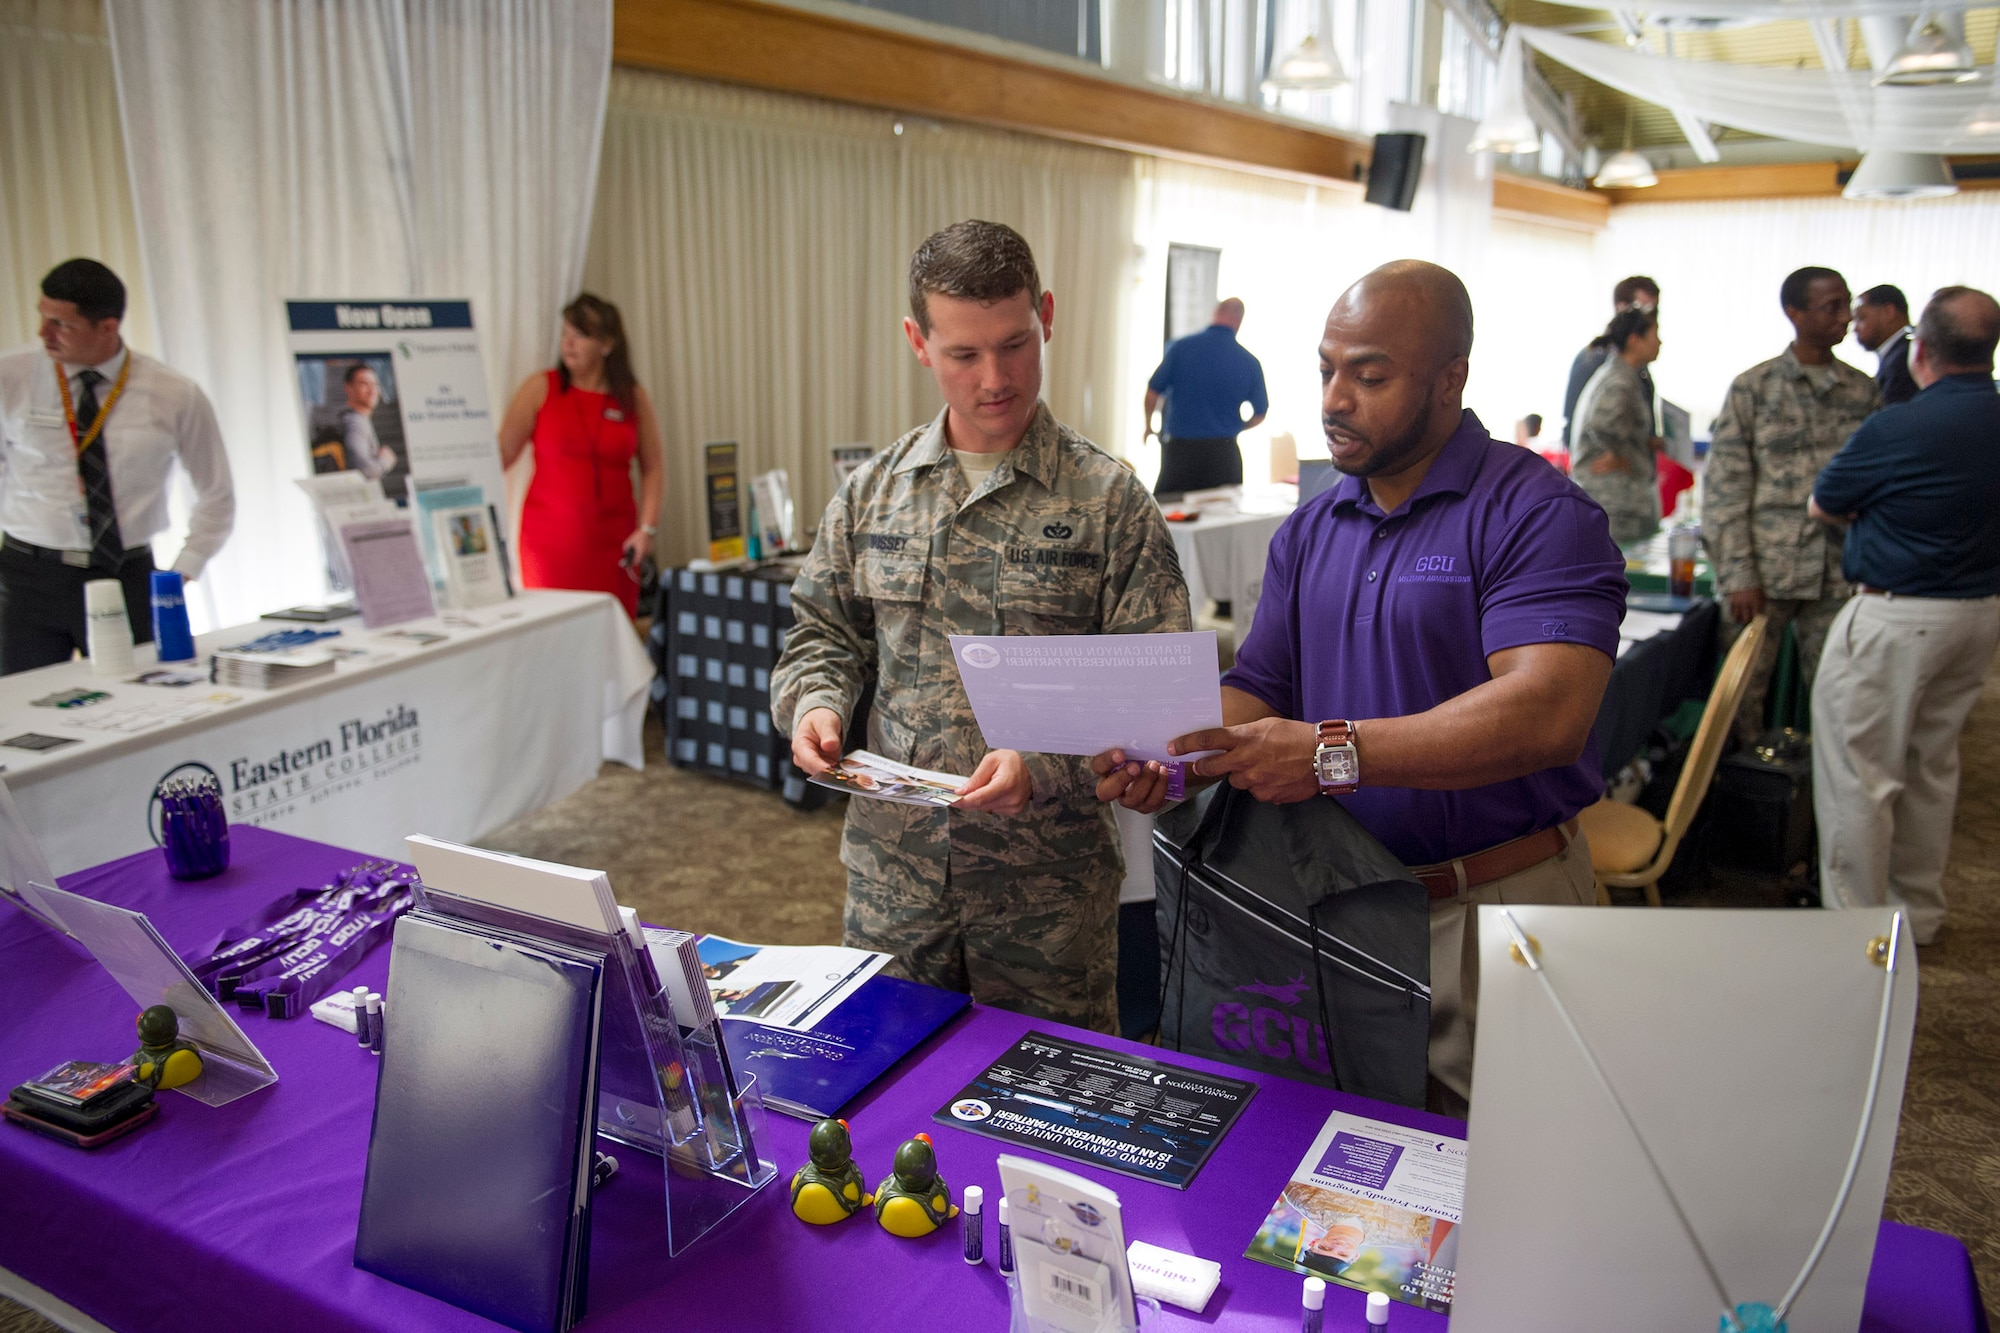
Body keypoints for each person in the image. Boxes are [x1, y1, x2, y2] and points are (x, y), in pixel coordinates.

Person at [1096, 260, 1626, 1113]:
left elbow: (1548, 712)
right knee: (1339, 1177)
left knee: (1503, 1184)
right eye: (1325, 370)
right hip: (1335, 906)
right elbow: (1262, 687)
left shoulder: (1536, 512)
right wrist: (1173, 755)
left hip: (1491, 906)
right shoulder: (1311, 529)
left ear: (1450, 378)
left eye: (1369, 375)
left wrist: (1332, 755)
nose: (1335, 398)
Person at [773, 220, 1190, 1033]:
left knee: (1047, 1120)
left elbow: (1156, 695)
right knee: (889, 1102)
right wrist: (817, 704)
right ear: (918, 343)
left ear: (1048, 317)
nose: (996, 378)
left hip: (1048, 894)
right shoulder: (872, 493)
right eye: (965, 354)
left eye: (1017, 343)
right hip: (896, 881)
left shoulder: (1109, 502)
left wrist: (1046, 765)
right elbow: (822, 632)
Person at [1809, 286, 2000, 947]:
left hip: (1897, 615)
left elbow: (1824, 502)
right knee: (1932, 768)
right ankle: (1917, 916)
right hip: (1978, 617)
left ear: (1921, 351)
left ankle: (1859, 933)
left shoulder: (1899, 424)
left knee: (1860, 779)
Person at [0, 258, 234, 675]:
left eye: (61, 324)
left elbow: (216, 493)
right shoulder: (10, 378)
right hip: (28, 578)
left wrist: (182, 574)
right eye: (42, 317)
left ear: (107, 327)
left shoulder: (173, 392)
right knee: (19, 713)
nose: (43, 333)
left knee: (146, 700)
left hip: (128, 574)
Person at [1704, 266, 1880, 745]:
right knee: (1741, 698)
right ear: (1794, 313)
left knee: (1843, 695)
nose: (1845, 317)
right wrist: (1738, 572)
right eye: (1831, 307)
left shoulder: (1864, 392)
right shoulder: (1754, 387)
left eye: (1847, 306)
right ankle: (1743, 800)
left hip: (1838, 573)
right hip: (1765, 571)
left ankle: (1817, 807)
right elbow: (1724, 486)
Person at [496, 294, 663, 619]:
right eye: (565, 333)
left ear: (607, 344)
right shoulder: (540, 389)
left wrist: (648, 528)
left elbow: (653, 467)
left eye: (581, 335)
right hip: (549, 546)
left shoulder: (632, 398)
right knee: (554, 630)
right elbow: (502, 453)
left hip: (615, 543)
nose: (568, 343)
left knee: (612, 633)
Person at [1144, 297, 1269, 496]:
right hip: (1224, 453)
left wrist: (1149, 426)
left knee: (1169, 514)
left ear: (1215, 314)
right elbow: (1260, 414)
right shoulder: (1249, 361)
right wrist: (1235, 427)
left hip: (1180, 453)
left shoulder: (1181, 348)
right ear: (1240, 320)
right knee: (1223, 520)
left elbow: (1153, 392)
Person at [1569, 306, 1664, 546]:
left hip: (1621, 499)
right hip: (1615, 500)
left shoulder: (1626, 375)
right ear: (1635, 340)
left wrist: (1644, 443)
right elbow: (1600, 424)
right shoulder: (1618, 380)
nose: (1660, 342)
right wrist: (1620, 456)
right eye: (1654, 334)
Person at [1562, 275, 1658, 448]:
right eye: (1644, 308)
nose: (1650, 318)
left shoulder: (1637, 367)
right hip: (1603, 472)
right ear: (1622, 307)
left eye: (1654, 310)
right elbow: (1574, 427)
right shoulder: (1594, 360)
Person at [1852, 284, 1919, 407]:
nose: (1854, 329)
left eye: (1861, 318)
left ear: (1889, 312)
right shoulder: (1901, 351)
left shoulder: (1905, 357)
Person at [335, 365, 397, 482]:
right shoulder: (356, 423)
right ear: (349, 388)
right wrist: (385, 461)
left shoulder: (354, 419)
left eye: (375, 385)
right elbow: (364, 471)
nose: (372, 390)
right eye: (364, 384)